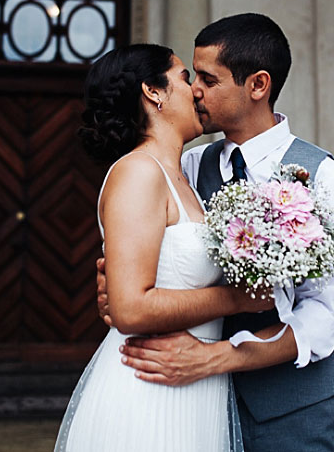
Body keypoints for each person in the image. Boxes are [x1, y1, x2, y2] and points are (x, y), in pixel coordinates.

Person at [104, 14, 334, 451]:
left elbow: (322, 316)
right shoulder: (185, 167)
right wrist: (114, 291)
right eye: (192, 76)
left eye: (207, 78)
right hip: (192, 411)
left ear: (258, 85)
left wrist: (213, 359)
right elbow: (143, 272)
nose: (194, 90)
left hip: (295, 415)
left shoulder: (325, 178)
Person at [55, 43, 271, 452]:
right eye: (185, 79)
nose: (196, 92)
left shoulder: (186, 178)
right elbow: (131, 309)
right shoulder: (138, 173)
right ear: (153, 92)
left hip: (196, 387)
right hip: (149, 390)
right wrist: (239, 300)